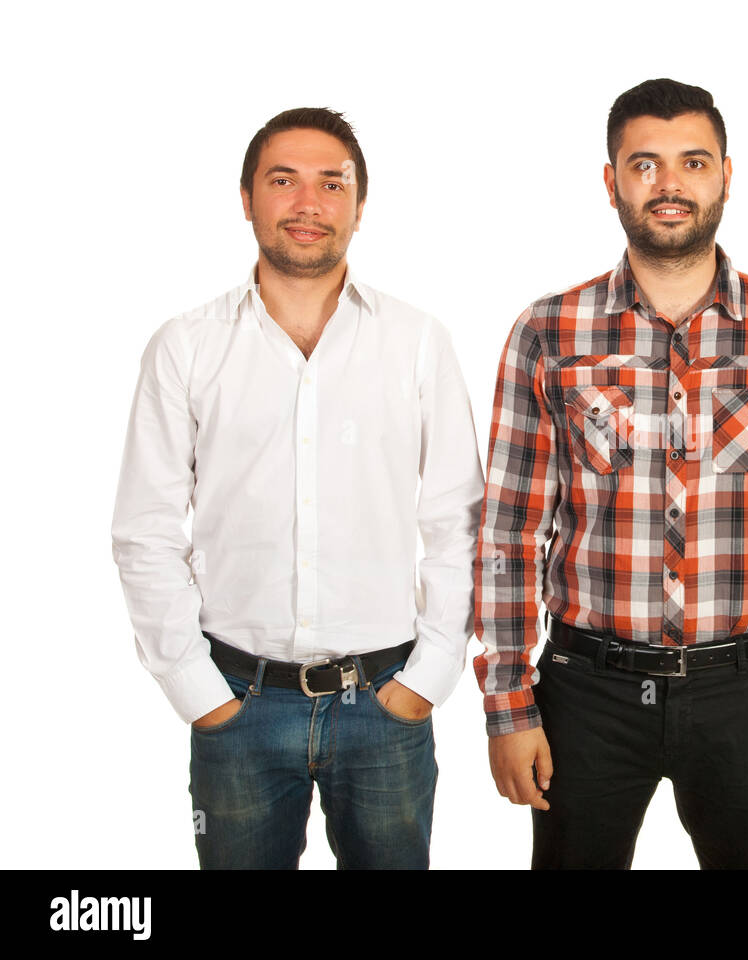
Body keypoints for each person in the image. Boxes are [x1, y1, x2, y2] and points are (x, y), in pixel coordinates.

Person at [474, 78, 748, 870]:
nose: (670, 185)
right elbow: (509, 532)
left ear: (726, 173)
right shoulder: (548, 331)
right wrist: (506, 704)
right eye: (644, 165)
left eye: (692, 162)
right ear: (611, 181)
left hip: (747, 692)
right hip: (585, 690)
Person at [111, 107, 483, 869]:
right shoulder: (186, 346)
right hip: (237, 702)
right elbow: (146, 529)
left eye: (331, 184)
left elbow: (461, 521)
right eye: (283, 181)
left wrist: (430, 676)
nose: (308, 204)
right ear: (246, 198)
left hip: (385, 701)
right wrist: (197, 692)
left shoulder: (415, 341)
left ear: (358, 205)